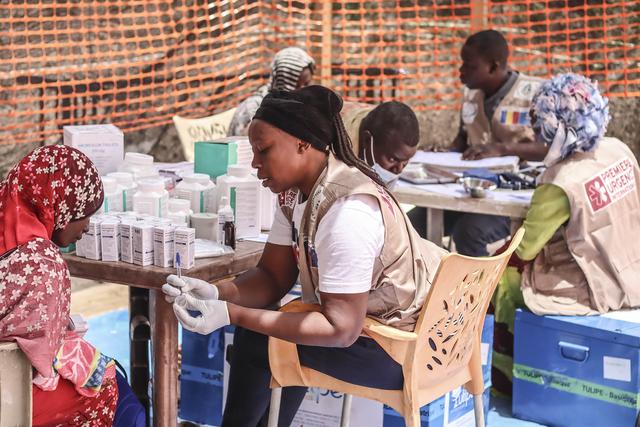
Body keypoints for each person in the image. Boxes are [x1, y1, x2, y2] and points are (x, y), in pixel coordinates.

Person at [163, 85, 446, 426]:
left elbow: (339, 329)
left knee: (261, 338)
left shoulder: (347, 212)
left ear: (302, 143)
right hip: (384, 330)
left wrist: (233, 315)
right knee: (276, 328)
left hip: (402, 349)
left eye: (262, 150)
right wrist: (216, 292)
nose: (254, 164)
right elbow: (272, 277)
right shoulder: (297, 195)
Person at [491, 73, 640, 393]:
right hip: (630, 271)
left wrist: (496, 256)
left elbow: (525, 249)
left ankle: (505, 372)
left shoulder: (559, 182)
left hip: (589, 286)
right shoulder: (618, 149)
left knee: (502, 277)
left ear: (551, 127)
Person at [0, 145, 145, 426]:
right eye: (85, 214)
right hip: (9, 395)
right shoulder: (43, 263)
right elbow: (41, 363)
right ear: (60, 207)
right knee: (109, 388)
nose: (87, 227)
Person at [410, 29, 546, 255]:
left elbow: (549, 149)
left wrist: (503, 149)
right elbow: (463, 141)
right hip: (468, 189)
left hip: (513, 194)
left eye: (469, 66)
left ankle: (483, 290)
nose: (461, 71)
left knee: (469, 233)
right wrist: (445, 151)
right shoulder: (471, 95)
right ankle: (431, 280)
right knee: (413, 224)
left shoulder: (535, 94)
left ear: (493, 66)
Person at [227, 47, 315, 137]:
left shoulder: (302, 107)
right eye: (296, 85)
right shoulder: (253, 108)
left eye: (307, 84)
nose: (303, 90)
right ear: (283, 83)